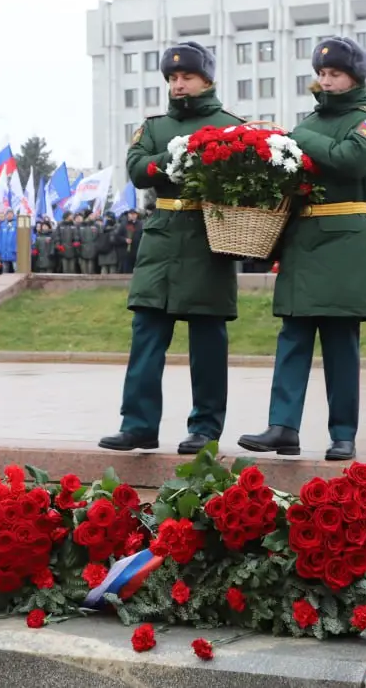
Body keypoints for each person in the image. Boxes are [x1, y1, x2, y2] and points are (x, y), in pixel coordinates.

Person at [238, 37, 366, 461]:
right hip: (303, 240)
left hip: (345, 240)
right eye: (321, 74)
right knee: (293, 338)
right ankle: (282, 426)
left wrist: (297, 137)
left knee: (342, 345)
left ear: (354, 77)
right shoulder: (310, 122)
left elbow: (350, 159)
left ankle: (343, 433)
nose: (326, 81)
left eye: (335, 74)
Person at [98, 40, 240, 455]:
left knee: (208, 341)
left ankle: (205, 428)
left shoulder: (232, 125)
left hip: (208, 238)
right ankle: (138, 424)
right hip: (161, 238)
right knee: (146, 333)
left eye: (187, 77)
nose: (178, 85)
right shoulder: (154, 126)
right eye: (173, 78)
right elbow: (138, 169)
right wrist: (174, 157)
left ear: (207, 79)